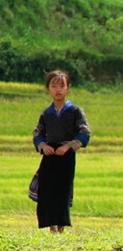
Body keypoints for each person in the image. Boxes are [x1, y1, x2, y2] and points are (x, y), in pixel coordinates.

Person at [32, 70, 91, 233]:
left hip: (66, 156)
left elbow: (85, 132)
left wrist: (69, 146)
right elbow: (38, 133)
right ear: (48, 89)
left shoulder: (75, 111)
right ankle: (51, 227)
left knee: (63, 191)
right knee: (47, 190)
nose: (58, 90)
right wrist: (43, 146)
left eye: (61, 86)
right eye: (54, 86)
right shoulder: (46, 113)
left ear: (68, 88)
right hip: (50, 155)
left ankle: (61, 227)